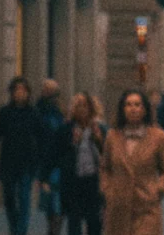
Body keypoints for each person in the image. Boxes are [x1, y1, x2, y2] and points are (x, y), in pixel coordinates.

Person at [100, 90, 164, 235]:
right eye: (128, 105)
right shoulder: (113, 136)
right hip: (118, 208)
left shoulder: (158, 137)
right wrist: (108, 190)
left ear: (144, 109)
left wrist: (157, 189)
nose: (133, 108)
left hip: (146, 207)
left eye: (137, 104)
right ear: (123, 109)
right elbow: (105, 167)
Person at [0, 77, 45, 235]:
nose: (19, 93)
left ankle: (20, 231)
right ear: (12, 92)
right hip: (8, 162)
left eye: (23, 90)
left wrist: (40, 163)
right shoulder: (4, 112)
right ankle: (14, 228)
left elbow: (41, 138)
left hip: (27, 163)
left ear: (27, 93)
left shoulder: (33, 113)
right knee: (9, 198)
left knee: (24, 198)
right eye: (16, 89)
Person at [43, 92, 106, 235]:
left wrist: (98, 140)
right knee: (74, 223)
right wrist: (44, 177)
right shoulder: (65, 130)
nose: (82, 109)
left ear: (91, 108)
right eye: (78, 106)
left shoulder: (99, 129)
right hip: (73, 182)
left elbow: (108, 156)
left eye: (85, 105)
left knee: (95, 223)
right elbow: (54, 154)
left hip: (94, 182)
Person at [38, 79, 67, 235]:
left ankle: (55, 228)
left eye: (50, 90)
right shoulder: (39, 109)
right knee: (48, 199)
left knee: (57, 196)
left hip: (59, 162)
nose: (47, 92)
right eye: (45, 89)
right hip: (45, 159)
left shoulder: (61, 111)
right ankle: (52, 226)